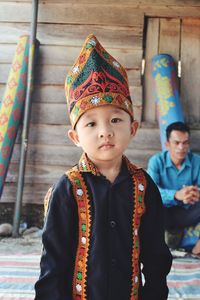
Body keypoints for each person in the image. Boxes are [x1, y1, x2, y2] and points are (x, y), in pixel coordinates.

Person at [34, 34, 172, 300]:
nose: (105, 132)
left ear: (133, 129)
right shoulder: (67, 189)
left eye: (116, 120)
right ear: (75, 137)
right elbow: (53, 263)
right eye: (91, 124)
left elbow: (156, 257)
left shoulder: (144, 186)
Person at [147, 122, 200, 254]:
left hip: (188, 212)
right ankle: (151, 249)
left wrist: (195, 193)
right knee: (145, 203)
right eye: (176, 143)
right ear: (167, 144)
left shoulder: (197, 161)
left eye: (185, 142)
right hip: (163, 213)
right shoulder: (156, 161)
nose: (181, 147)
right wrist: (176, 195)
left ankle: (196, 250)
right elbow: (151, 191)